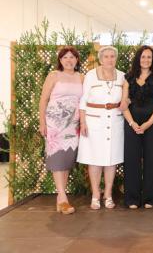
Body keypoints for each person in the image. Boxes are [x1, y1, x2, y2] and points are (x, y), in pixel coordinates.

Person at [78, 46, 125, 210]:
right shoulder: (90, 76)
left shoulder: (122, 76)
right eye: (106, 57)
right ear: (100, 59)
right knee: (95, 160)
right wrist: (83, 122)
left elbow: (126, 99)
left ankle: (108, 195)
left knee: (111, 160)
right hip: (94, 122)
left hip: (115, 121)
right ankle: (96, 194)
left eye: (112, 56)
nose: (109, 59)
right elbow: (83, 101)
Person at [39, 46, 83, 214]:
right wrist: (42, 122)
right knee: (57, 158)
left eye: (72, 57)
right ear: (60, 60)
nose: (69, 60)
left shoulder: (81, 77)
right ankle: (63, 198)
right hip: (55, 124)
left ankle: (60, 199)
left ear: (77, 60)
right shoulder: (54, 75)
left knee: (66, 159)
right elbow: (43, 100)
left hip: (73, 125)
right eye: (65, 57)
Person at [122, 46, 153, 209]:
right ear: (138, 59)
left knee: (152, 159)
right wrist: (132, 123)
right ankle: (132, 199)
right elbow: (124, 103)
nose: (146, 60)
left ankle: (150, 198)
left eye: (149, 57)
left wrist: (147, 124)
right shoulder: (128, 77)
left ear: (152, 59)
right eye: (143, 57)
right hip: (131, 123)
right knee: (131, 159)